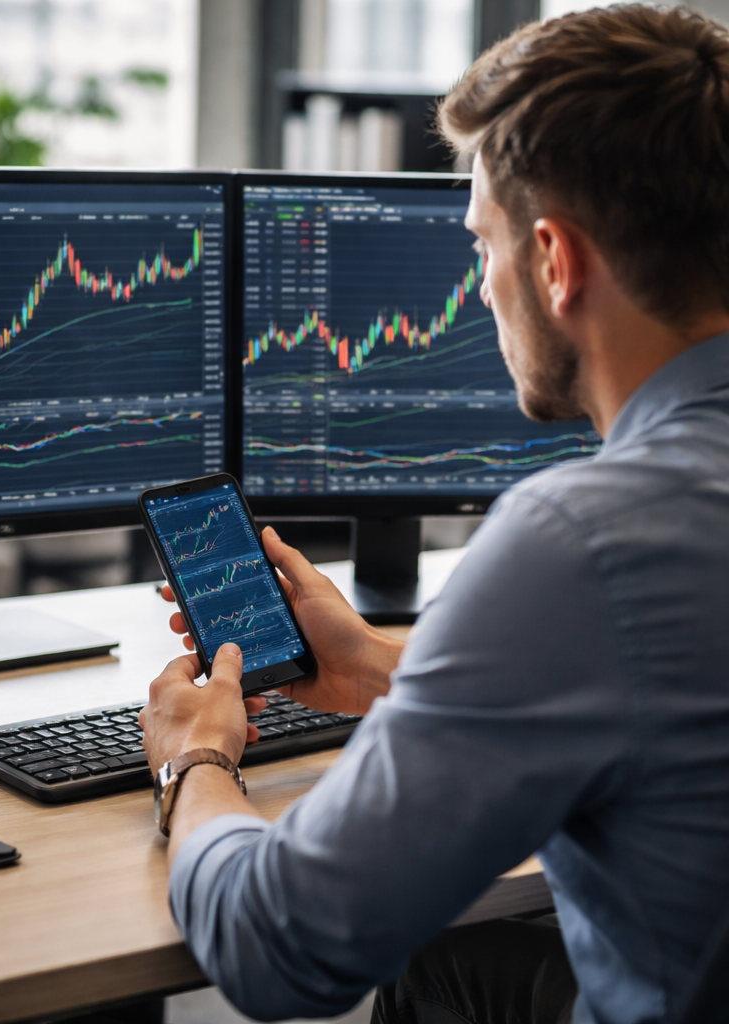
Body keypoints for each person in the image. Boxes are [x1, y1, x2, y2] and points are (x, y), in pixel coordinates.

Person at [137, 6, 729, 1023]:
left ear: (555, 261)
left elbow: (279, 945)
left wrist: (193, 757)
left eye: (482, 246)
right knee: (450, 962)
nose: (482, 288)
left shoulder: (585, 542)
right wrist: (380, 665)